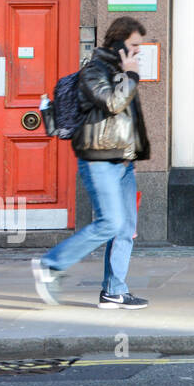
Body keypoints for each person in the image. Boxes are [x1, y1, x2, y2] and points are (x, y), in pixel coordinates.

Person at [31, 17, 151, 309]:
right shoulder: (93, 71)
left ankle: (114, 291)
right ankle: (51, 264)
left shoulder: (120, 70)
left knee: (125, 229)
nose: (139, 50)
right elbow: (112, 103)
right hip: (98, 159)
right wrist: (131, 76)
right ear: (120, 42)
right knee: (109, 222)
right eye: (135, 44)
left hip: (123, 162)